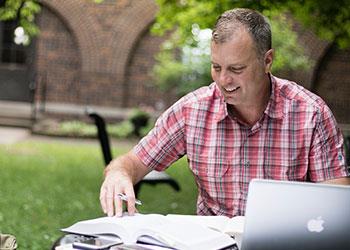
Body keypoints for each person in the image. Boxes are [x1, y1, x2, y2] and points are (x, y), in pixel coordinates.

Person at [100, 8, 350, 218]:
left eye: (237, 68)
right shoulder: (192, 111)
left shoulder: (311, 114)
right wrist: (118, 173)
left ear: (267, 61)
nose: (224, 80)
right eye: (216, 67)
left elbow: (337, 204)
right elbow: (131, 162)